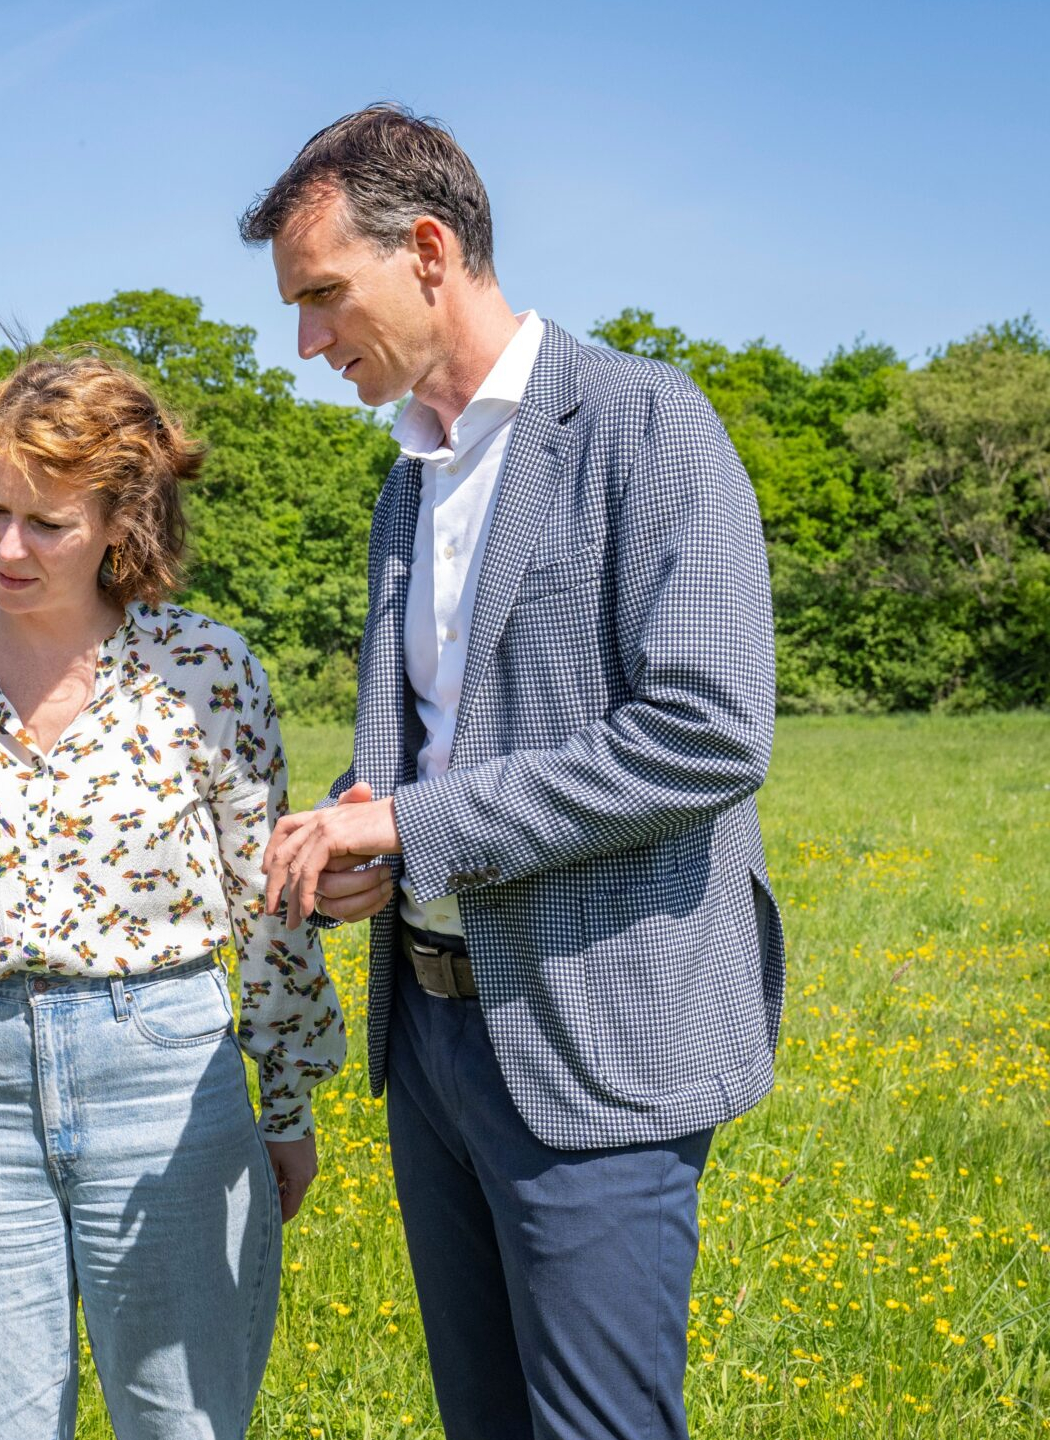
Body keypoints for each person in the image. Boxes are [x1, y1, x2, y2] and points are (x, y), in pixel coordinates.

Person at [241, 105, 785, 1439]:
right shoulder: (409, 478)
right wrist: (377, 840)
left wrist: (418, 826)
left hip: (599, 1039)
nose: (307, 343)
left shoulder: (646, 424)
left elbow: (709, 729)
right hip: (430, 1040)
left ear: (428, 250)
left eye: (323, 297)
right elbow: (441, 744)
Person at [0, 351, 346, 1440]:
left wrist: (287, 1097)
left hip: (165, 1072)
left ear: (121, 523)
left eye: (48, 523)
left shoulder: (205, 669)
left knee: (181, 1423)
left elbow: (271, 897)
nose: (8, 546)